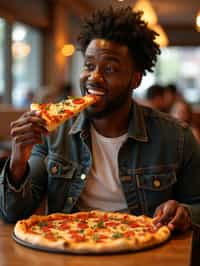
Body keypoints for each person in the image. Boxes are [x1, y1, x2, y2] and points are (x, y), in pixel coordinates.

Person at [0, 7, 200, 234]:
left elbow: (197, 205)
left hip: (145, 250)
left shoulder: (177, 138)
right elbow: (13, 213)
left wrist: (184, 212)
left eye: (110, 68)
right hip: (70, 245)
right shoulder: (54, 132)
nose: (94, 77)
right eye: (89, 65)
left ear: (135, 79)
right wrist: (18, 160)